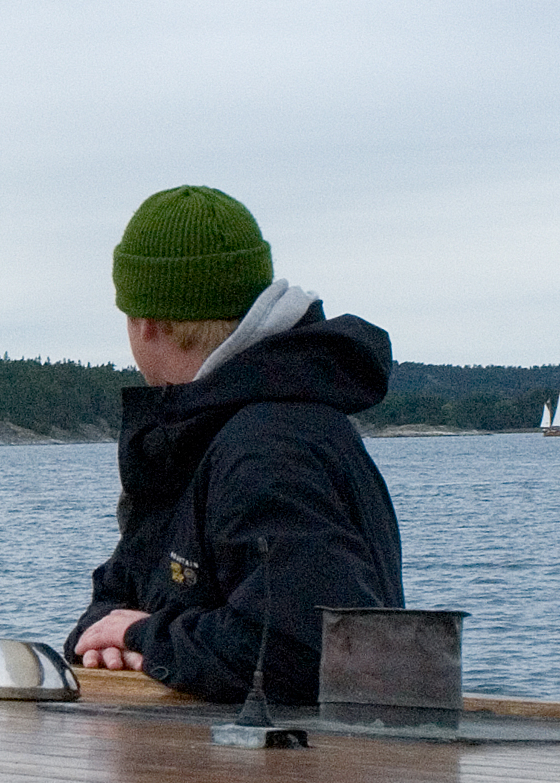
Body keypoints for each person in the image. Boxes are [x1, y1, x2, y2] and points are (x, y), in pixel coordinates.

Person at [65, 186, 403, 707]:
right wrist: (108, 637)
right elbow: (117, 595)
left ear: (145, 322)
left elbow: (308, 645)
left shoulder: (266, 449)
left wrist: (142, 638)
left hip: (295, 780)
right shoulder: (208, 433)